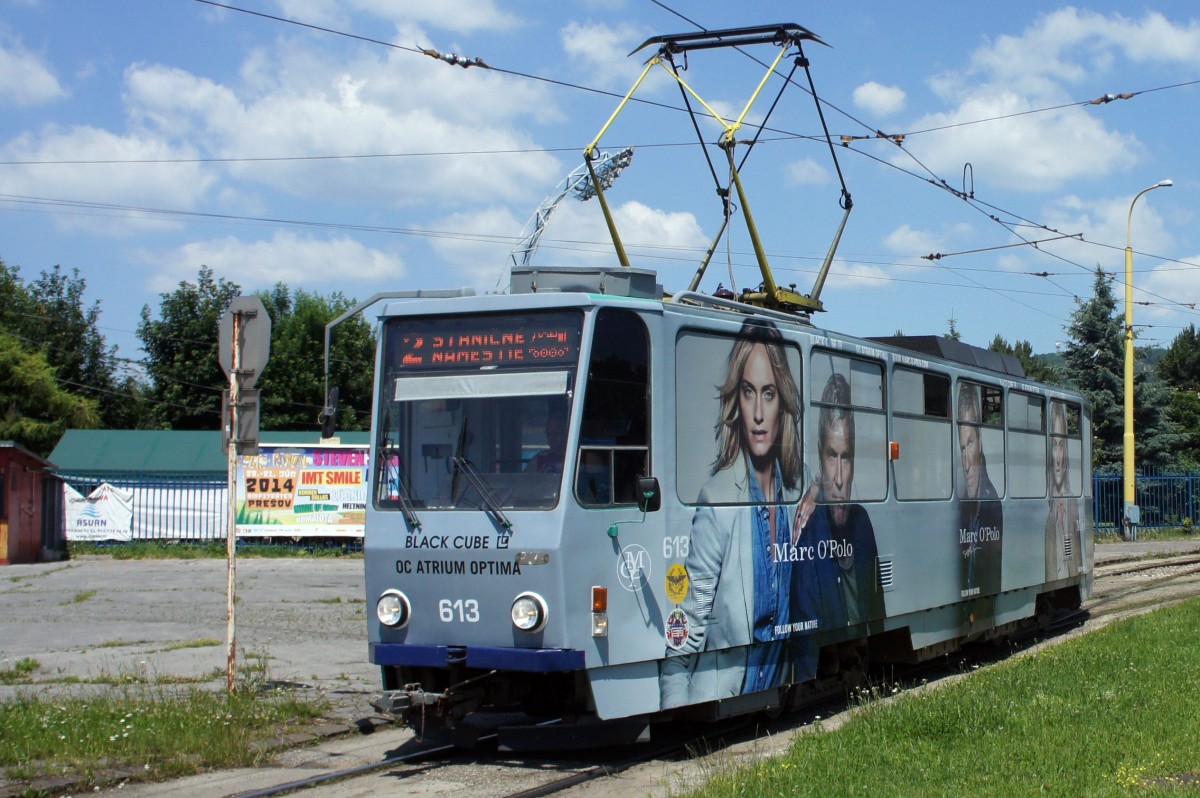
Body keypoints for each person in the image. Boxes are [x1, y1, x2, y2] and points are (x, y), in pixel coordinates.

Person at [660, 318, 809, 708]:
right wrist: (676, 712)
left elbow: (825, 475)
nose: (758, 413)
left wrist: (819, 491)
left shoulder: (797, 487)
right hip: (723, 696)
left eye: (769, 393)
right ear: (736, 401)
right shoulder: (718, 499)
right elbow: (687, 628)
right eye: (748, 392)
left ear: (784, 403)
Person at [793, 374, 883, 635]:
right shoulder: (807, 539)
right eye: (832, 456)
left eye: (847, 457)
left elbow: (880, 618)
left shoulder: (863, 524)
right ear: (820, 457)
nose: (841, 480)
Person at [957, 382, 1002, 600]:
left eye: (970, 443)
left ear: (980, 442)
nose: (966, 461)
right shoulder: (961, 506)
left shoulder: (992, 503)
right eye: (962, 447)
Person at [1045, 402, 1082, 581]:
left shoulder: (1073, 504)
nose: (1058, 457)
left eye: (1061, 445)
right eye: (1053, 445)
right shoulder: (1047, 510)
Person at [526, 405, 567, 474]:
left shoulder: (578, 457)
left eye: (556, 433)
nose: (552, 437)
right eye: (548, 434)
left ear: (566, 432)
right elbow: (524, 480)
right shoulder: (540, 459)